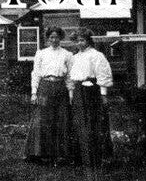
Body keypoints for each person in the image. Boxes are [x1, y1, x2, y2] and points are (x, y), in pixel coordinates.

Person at [68, 28, 114, 167]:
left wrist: (103, 94)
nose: (80, 43)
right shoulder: (74, 57)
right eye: (77, 41)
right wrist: (71, 94)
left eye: (83, 40)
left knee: (93, 123)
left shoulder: (96, 55)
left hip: (92, 91)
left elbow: (103, 75)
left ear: (88, 41)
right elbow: (71, 78)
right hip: (78, 91)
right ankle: (80, 158)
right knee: (79, 123)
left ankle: (96, 157)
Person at [26, 27, 73, 163]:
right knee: (42, 119)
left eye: (56, 37)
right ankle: (39, 153)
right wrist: (34, 92)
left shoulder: (67, 55)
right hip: (44, 87)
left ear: (60, 38)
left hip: (60, 88)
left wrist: (70, 93)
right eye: (51, 37)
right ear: (48, 38)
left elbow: (69, 76)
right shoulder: (41, 53)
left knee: (60, 120)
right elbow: (35, 74)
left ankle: (60, 154)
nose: (54, 40)